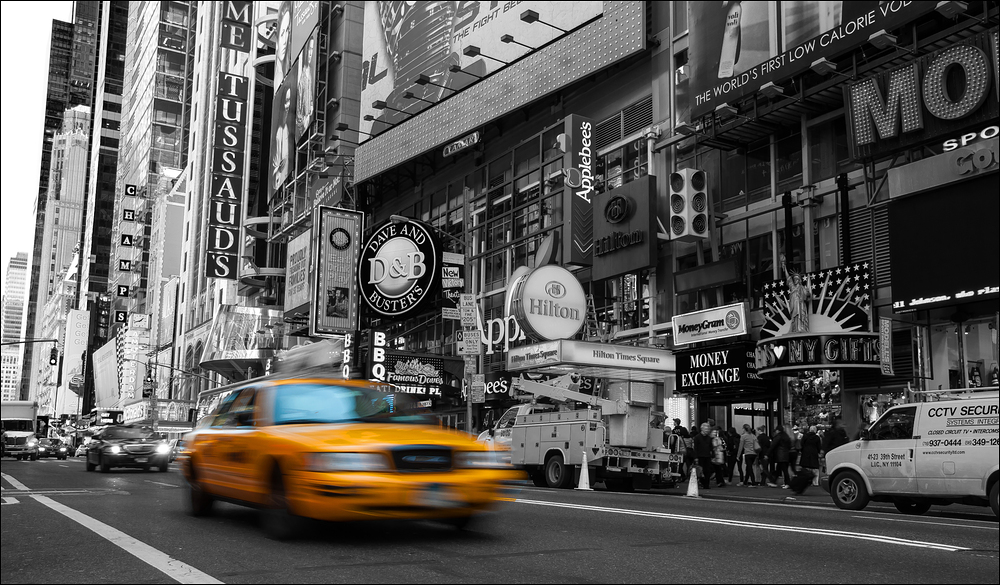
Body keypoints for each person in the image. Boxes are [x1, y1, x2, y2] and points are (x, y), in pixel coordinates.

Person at [782, 254, 812, 333]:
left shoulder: (802, 288)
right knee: (795, 318)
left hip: (801, 305)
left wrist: (807, 293)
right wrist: (784, 267)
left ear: (799, 280)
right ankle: (795, 329)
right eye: (794, 279)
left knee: (801, 317)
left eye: (796, 279)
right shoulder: (793, 287)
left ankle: (801, 328)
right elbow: (788, 278)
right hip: (795, 305)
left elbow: (808, 296)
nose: (795, 280)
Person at [272, 85, 292, 191]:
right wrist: (279, 170)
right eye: (286, 100)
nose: (287, 105)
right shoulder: (278, 134)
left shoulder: (289, 128)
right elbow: (274, 184)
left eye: (289, 100)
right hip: (285, 186)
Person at [296, 35, 316, 139]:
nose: (311, 53)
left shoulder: (312, 72)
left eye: (313, 49)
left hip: (310, 120)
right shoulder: (302, 78)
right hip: (304, 125)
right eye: (309, 49)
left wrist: (311, 107)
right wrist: (303, 123)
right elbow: (299, 110)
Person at [693, 423, 715, 490]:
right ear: (702, 429)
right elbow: (695, 448)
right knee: (700, 472)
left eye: (708, 429)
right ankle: (702, 482)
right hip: (700, 456)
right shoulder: (697, 437)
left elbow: (711, 447)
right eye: (706, 429)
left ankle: (706, 485)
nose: (707, 430)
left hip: (707, 456)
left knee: (707, 471)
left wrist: (712, 455)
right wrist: (695, 457)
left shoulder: (709, 438)